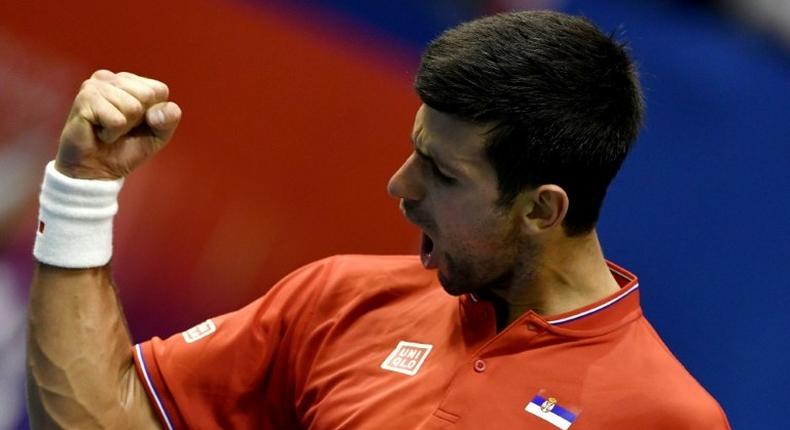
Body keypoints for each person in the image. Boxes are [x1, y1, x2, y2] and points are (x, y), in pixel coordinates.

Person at [26, 11, 731, 429]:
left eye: (443, 173)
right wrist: (82, 191)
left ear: (541, 208)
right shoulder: (337, 299)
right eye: (415, 149)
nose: (400, 185)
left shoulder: (666, 416)